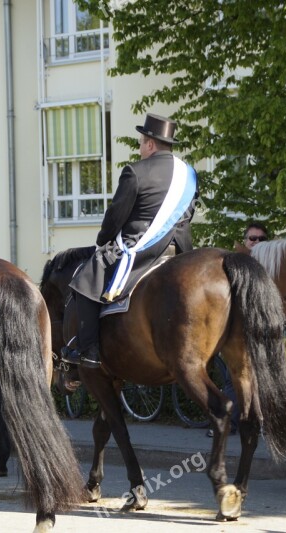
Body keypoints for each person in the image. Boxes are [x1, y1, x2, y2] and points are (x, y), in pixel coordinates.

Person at [65, 113, 198, 368]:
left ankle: (89, 351)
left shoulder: (135, 172)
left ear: (150, 143)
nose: (140, 148)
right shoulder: (189, 175)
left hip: (140, 250)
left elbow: (116, 216)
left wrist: (103, 241)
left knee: (85, 280)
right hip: (179, 250)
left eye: (141, 142)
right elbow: (187, 215)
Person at [206, 221, 269, 437]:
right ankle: (231, 423)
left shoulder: (270, 267)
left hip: (260, 333)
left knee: (260, 378)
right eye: (253, 238)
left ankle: (257, 423)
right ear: (245, 241)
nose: (256, 243)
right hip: (232, 333)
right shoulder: (233, 266)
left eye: (261, 239)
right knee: (233, 379)